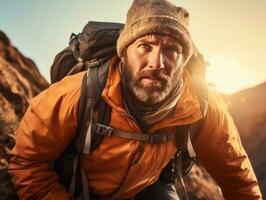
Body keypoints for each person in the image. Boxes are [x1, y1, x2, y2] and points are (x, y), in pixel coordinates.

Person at [8, 0, 262, 199]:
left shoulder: (200, 104)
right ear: (124, 53)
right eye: (145, 46)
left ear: (183, 61)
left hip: (145, 189)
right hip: (75, 187)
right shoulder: (77, 93)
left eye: (172, 50)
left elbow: (237, 179)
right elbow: (29, 163)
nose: (157, 63)